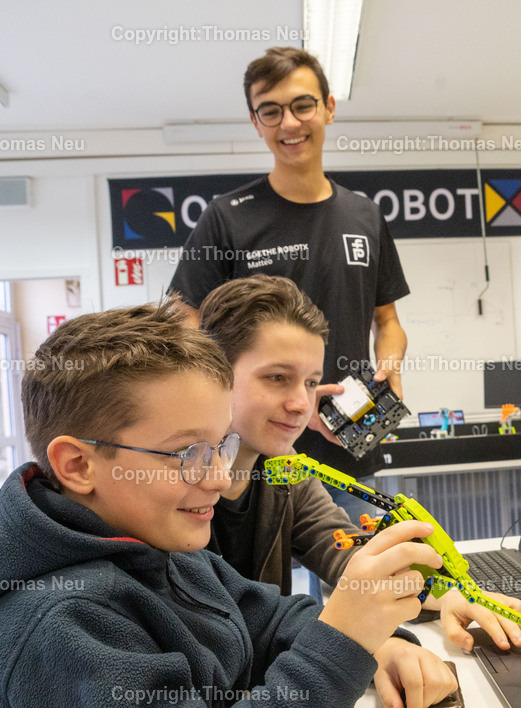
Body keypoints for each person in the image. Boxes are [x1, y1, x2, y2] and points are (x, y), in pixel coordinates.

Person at [0, 298, 447, 708]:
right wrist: (342, 641)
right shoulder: (56, 624)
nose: (218, 478)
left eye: (220, 446)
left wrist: (379, 643)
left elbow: (270, 620)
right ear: (78, 464)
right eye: (188, 454)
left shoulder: (154, 546)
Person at [198, 276, 521, 708]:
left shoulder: (286, 470)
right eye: (277, 378)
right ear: (213, 374)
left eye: (311, 382)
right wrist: (366, 642)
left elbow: (342, 548)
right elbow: (235, 619)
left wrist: (443, 592)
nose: (301, 403)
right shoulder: (174, 491)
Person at [169, 47, 409, 514]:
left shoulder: (365, 216)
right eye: (271, 111)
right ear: (256, 122)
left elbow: (389, 320)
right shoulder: (226, 219)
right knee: (246, 582)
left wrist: (391, 367)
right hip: (246, 453)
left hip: (350, 436)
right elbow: (184, 328)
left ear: (329, 108)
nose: (289, 124)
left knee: (366, 576)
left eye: (302, 105)